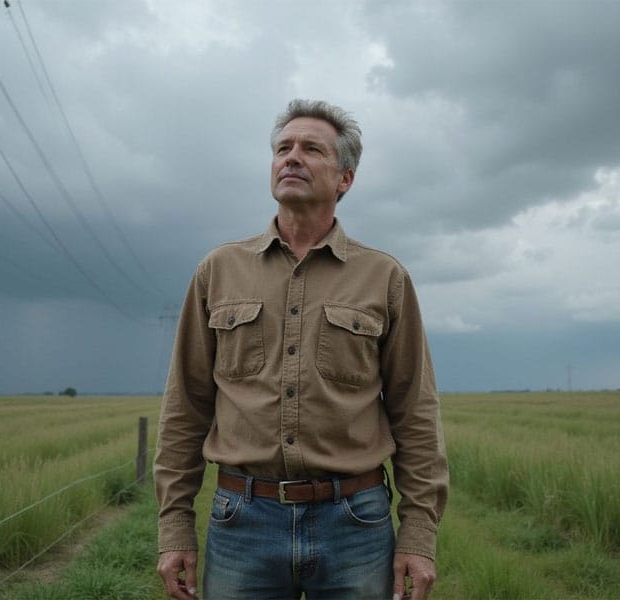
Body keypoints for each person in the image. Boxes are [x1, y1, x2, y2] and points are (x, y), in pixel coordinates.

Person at [154, 99, 448, 600]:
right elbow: (186, 406)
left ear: (345, 179)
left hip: (356, 522)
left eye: (311, 149)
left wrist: (418, 537)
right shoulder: (218, 270)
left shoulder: (385, 277)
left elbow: (414, 412)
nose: (291, 157)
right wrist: (175, 527)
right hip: (241, 520)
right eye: (282, 148)